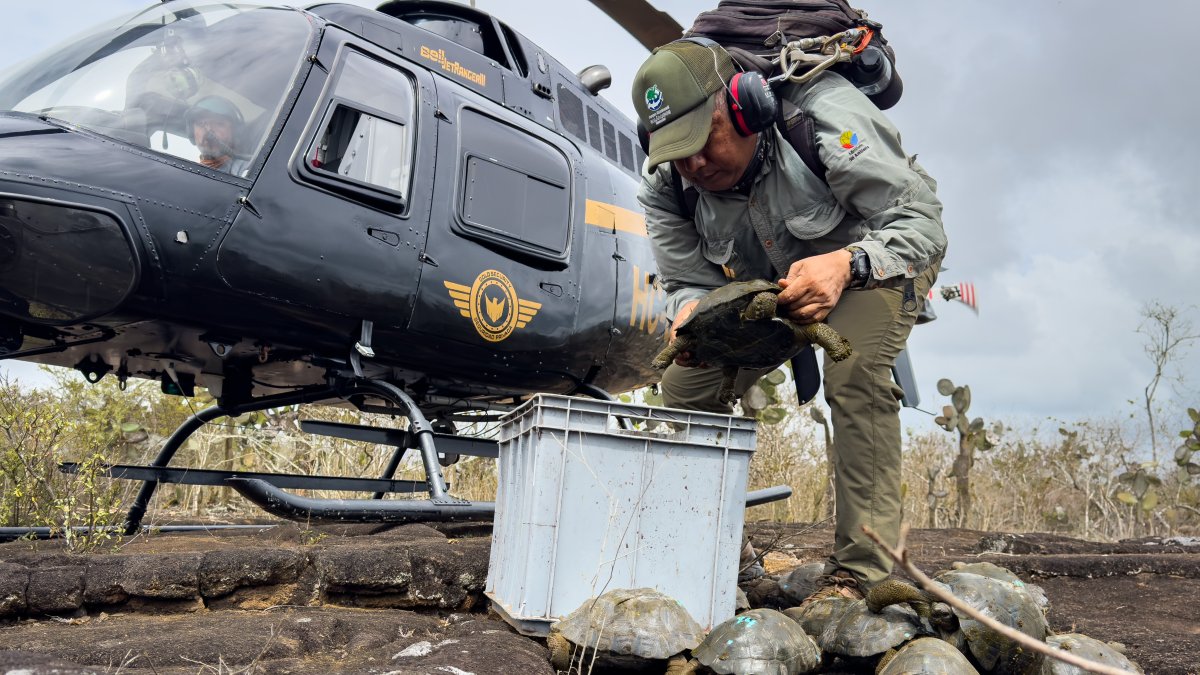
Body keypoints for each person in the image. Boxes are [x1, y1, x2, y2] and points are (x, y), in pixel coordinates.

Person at [632, 40, 946, 601]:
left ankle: (861, 574)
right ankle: (710, 557)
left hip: (875, 264)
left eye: (703, 142)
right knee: (682, 389)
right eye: (676, 153)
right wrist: (689, 313)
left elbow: (920, 221)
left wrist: (847, 264)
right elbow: (689, 283)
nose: (695, 165)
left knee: (855, 374)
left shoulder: (823, 118)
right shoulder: (667, 189)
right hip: (765, 293)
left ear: (744, 107)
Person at [185, 95, 249, 176]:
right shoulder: (190, 174)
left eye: (219, 124)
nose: (209, 130)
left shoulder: (245, 170)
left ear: (235, 132)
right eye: (200, 124)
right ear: (191, 133)